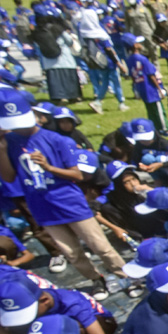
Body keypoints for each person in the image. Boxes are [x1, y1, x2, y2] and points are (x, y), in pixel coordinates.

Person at [0, 89, 130, 302]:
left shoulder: (55, 140)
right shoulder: (9, 142)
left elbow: (77, 174)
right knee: (72, 253)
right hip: (42, 207)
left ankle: (126, 276)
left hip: (69, 202)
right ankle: (96, 279)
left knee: (100, 246)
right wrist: (2, 148)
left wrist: (49, 167)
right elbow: (8, 176)